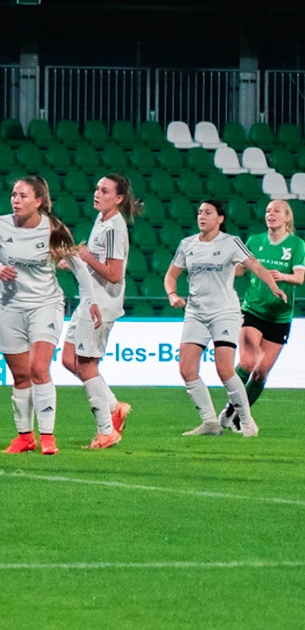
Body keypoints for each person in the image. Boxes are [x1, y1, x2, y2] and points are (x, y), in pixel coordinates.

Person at [165, 199, 289, 437]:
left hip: (224, 312)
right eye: (200, 212)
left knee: (224, 369)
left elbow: (255, 266)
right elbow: (171, 275)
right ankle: (210, 423)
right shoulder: (187, 244)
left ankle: (246, 420)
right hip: (195, 312)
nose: (202, 216)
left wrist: (273, 286)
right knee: (186, 369)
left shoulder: (231, 242)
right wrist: (172, 294)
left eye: (208, 213)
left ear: (220, 219)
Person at [0, 176, 74, 455]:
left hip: (45, 304)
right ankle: (25, 437)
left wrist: (91, 299)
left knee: (38, 368)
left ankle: (48, 436)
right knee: (20, 376)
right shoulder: (0, 225)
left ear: (38, 202)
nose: (15, 200)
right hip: (10, 305)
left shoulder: (54, 228)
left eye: (23, 196)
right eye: (13, 194)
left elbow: (77, 263)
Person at [58, 174, 141, 449]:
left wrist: (85, 257)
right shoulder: (102, 220)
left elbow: (115, 274)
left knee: (86, 365)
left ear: (118, 198)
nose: (97, 193)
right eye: (96, 188)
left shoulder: (115, 227)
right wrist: (74, 263)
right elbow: (93, 263)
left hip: (101, 304)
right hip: (89, 300)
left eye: (104, 190)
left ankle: (106, 430)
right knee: (69, 360)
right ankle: (115, 407)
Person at [226, 198, 305, 427]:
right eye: (268, 210)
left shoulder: (296, 245)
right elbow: (240, 270)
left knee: (261, 373)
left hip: (279, 316)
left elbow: (300, 278)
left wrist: (282, 276)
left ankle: (238, 417)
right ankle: (231, 407)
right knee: (249, 362)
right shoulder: (254, 240)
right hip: (253, 310)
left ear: (287, 217)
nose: (271, 214)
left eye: (277, 211)